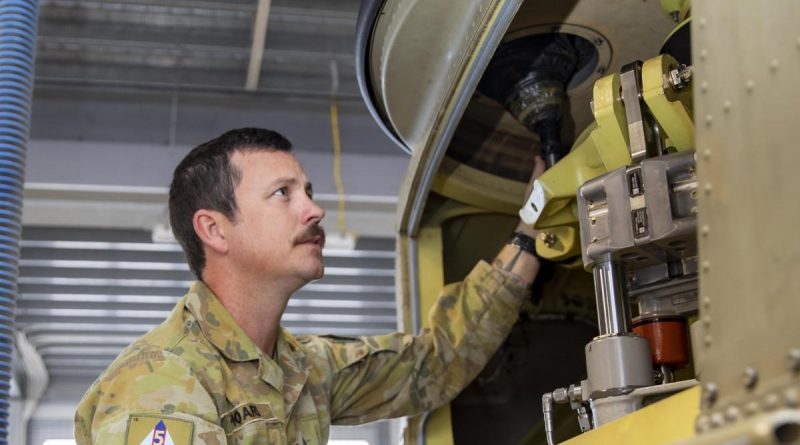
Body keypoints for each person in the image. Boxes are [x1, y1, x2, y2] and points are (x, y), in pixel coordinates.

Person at [74, 127, 544, 445]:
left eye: (309, 192)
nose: (314, 210)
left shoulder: (300, 368)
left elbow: (435, 363)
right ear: (215, 231)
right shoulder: (157, 382)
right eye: (283, 194)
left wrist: (530, 231)